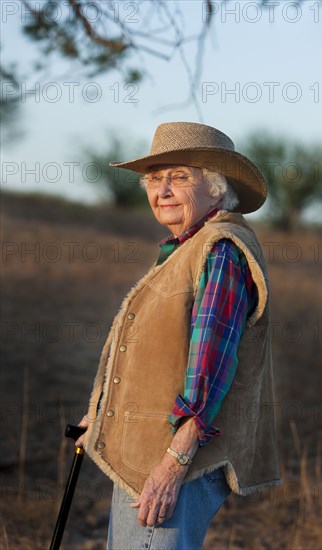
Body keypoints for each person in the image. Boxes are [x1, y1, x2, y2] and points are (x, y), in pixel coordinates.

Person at [76, 122, 280, 549]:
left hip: (174, 460)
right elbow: (154, 354)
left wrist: (173, 463)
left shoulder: (219, 250)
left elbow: (210, 364)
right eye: (154, 178)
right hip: (150, 455)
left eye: (180, 176)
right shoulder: (185, 249)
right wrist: (99, 414)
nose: (162, 189)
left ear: (216, 189)